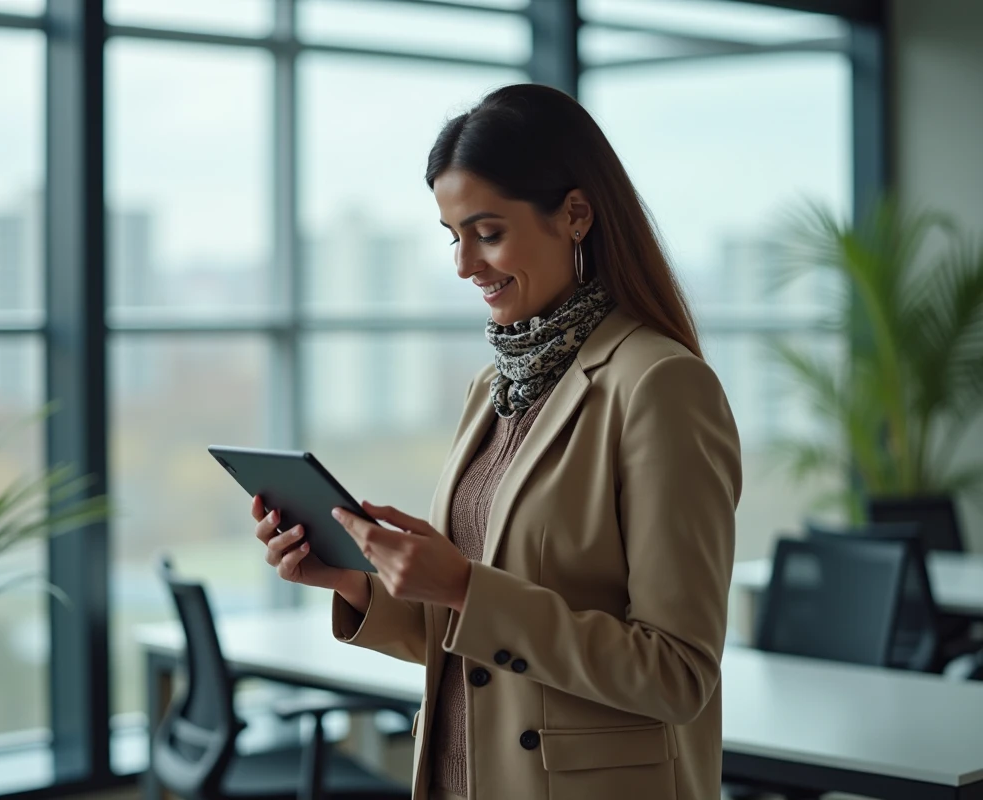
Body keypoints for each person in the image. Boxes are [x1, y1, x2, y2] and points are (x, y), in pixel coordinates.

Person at [251, 83, 741, 800]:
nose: (463, 264)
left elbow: (676, 674)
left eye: (487, 232)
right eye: (452, 235)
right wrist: (355, 582)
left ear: (575, 214)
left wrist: (461, 584)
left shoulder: (660, 387)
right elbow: (476, 644)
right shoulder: (493, 388)